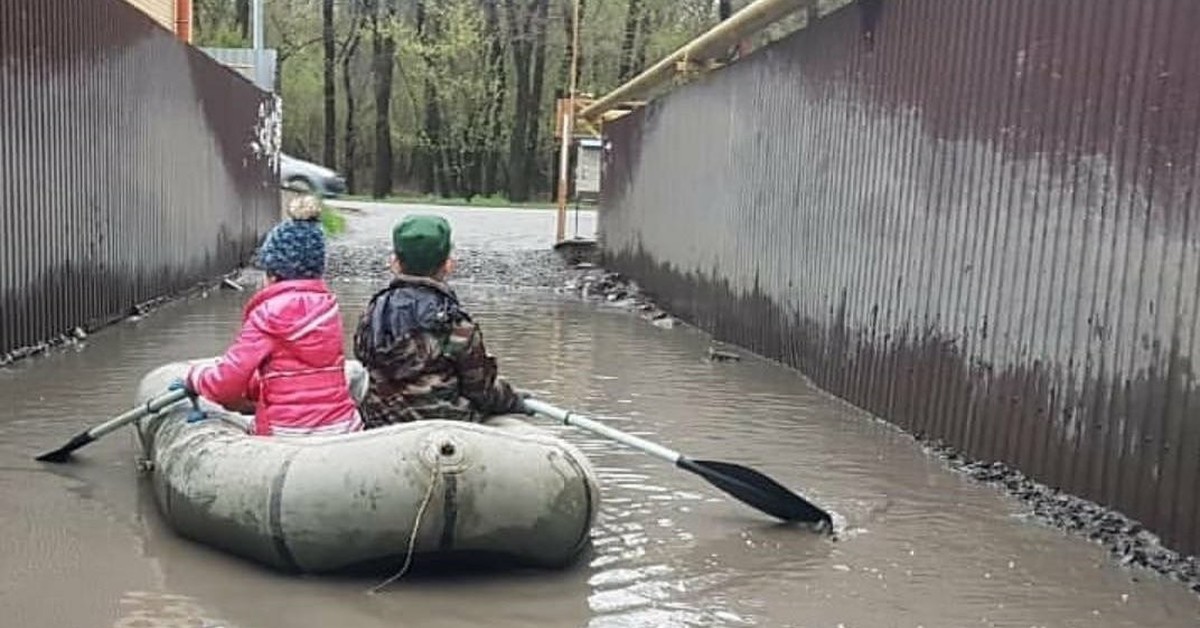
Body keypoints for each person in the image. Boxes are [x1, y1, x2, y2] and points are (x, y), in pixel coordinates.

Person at [174, 196, 362, 436]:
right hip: (343, 428)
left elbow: (225, 385)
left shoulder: (266, 316)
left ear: (272, 275)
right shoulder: (329, 310)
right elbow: (298, 375)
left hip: (286, 434)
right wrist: (255, 388)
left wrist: (195, 377)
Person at [352, 214, 528, 428]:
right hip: (445, 428)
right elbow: (481, 392)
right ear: (448, 265)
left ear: (395, 264)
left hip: (382, 426)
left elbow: (364, 362)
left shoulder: (371, 315)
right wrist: (514, 400)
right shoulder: (456, 324)